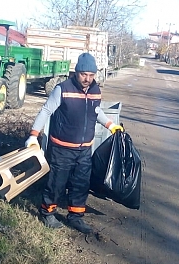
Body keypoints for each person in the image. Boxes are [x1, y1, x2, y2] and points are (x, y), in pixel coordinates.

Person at [25, 53, 123, 234]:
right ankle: (47, 212)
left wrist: (111, 125)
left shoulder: (95, 90)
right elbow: (46, 111)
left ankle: (75, 217)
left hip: (85, 149)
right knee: (57, 183)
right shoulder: (63, 89)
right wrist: (33, 135)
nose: (88, 79)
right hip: (62, 148)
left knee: (81, 183)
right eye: (84, 74)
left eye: (91, 75)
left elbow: (96, 110)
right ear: (76, 72)